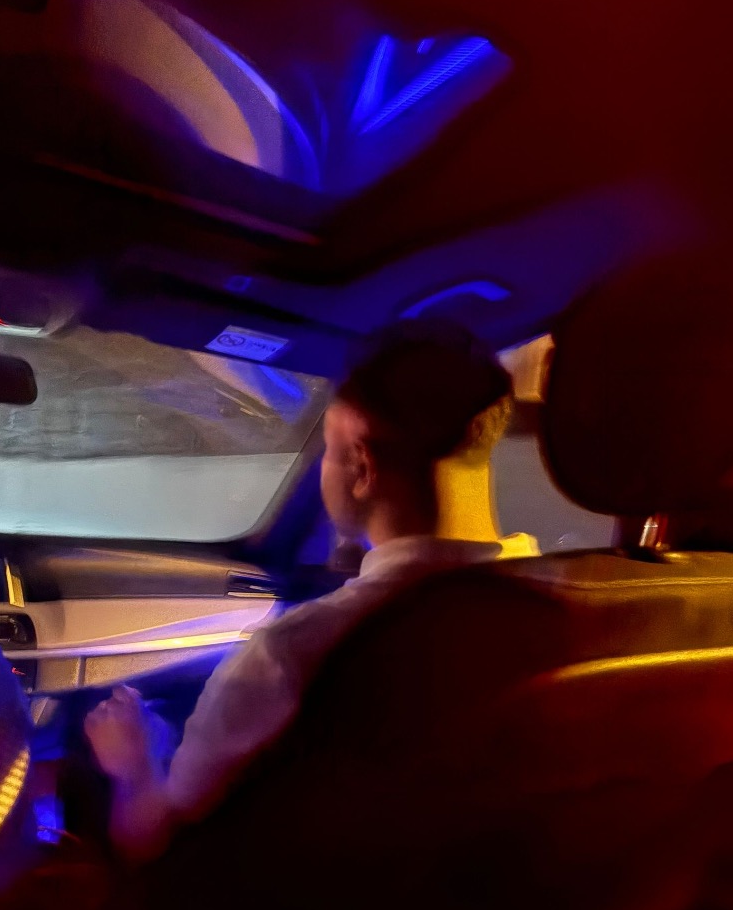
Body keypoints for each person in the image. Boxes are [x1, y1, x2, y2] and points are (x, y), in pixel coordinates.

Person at [85, 321, 539, 859]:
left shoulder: (294, 655)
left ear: (362, 467)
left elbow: (157, 844)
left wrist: (135, 765)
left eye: (327, 449)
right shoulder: (571, 598)